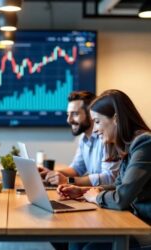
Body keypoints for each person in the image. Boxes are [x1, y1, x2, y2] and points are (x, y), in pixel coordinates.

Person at [57, 89, 151, 250]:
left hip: (145, 224)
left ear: (116, 119)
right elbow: (119, 185)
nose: (94, 129)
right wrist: (84, 191)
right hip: (133, 218)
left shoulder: (144, 143)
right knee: (75, 241)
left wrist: (96, 196)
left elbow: (121, 198)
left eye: (98, 122)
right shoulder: (128, 145)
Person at [45, 91, 119, 186]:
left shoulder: (107, 137)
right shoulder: (83, 138)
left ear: (91, 114)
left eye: (75, 114)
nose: (69, 120)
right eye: (68, 114)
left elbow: (109, 178)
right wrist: (52, 174)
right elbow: (77, 168)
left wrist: (68, 181)